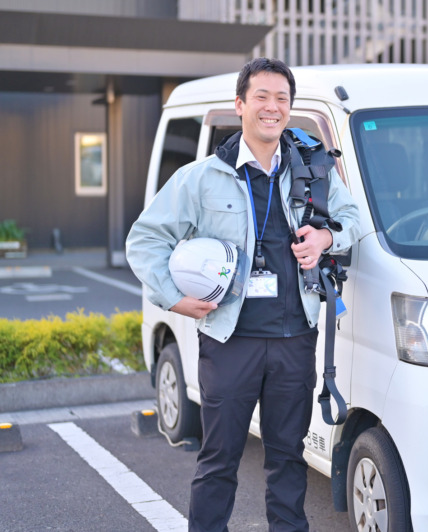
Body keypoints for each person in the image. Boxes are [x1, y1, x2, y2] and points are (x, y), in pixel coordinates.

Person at [126, 58, 360, 532]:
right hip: (230, 341)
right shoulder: (203, 177)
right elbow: (144, 239)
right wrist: (173, 298)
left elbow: (353, 218)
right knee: (219, 461)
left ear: (289, 108)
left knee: (288, 461)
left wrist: (326, 239)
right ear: (240, 105)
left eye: (281, 99)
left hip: (296, 338)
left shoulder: (313, 169)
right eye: (262, 97)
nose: (272, 108)